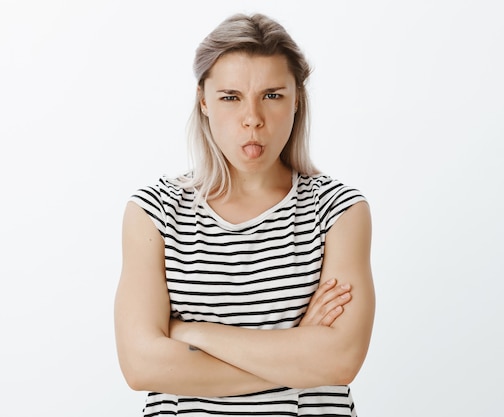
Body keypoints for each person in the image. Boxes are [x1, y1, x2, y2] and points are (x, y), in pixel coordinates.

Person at [114, 12, 375, 416]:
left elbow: (339, 361)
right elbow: (141, 366)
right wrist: (300, 353)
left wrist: (191, 332)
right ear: (203, 100)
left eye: (272, 95)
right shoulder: (155, 212)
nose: (252, 117)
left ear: (297, 100)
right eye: (230, 97)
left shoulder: (339, 210)